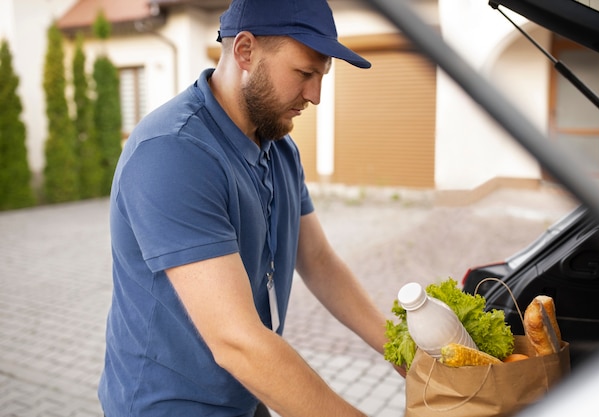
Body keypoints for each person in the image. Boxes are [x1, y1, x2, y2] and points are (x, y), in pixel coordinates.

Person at [98, 0, 402, 416]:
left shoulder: (279, 148)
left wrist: (405, 353)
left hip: (249, 387)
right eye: (304, 73)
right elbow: (235, 338)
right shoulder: (174, 152)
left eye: (322, 76)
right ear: (244, 51)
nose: (315, 95)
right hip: (169, 405)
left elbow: (318, 261)